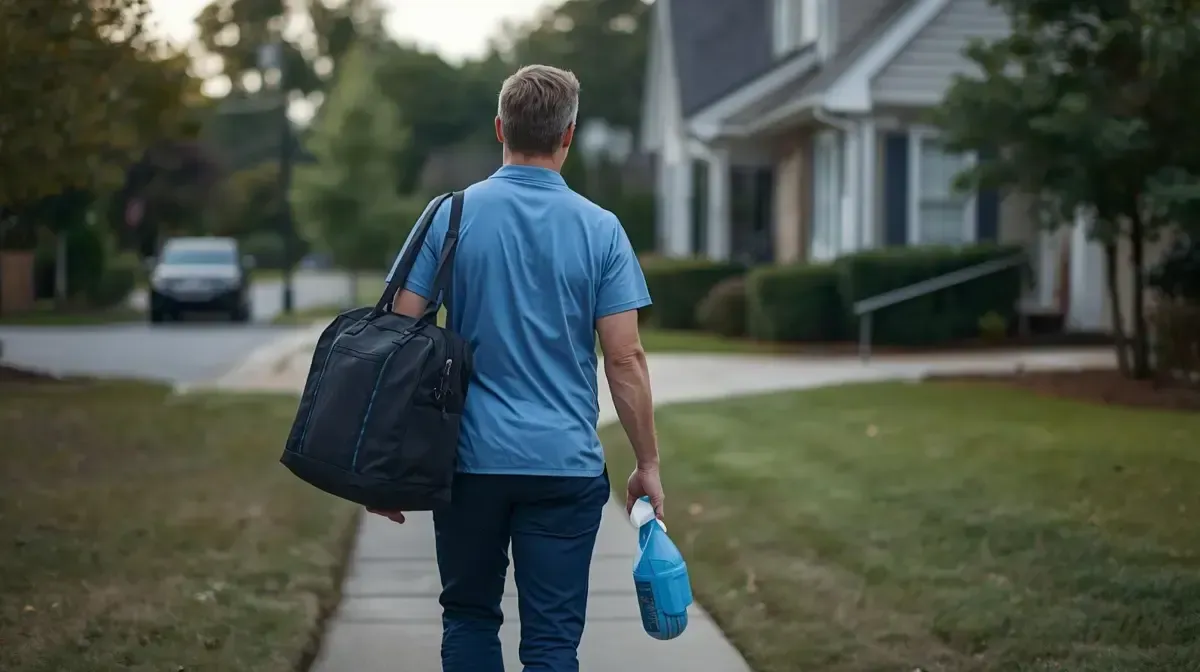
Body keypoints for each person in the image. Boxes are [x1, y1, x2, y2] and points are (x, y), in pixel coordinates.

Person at [373, 64, 665, 672]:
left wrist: (383, 467)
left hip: (468, 467)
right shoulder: (602, 229)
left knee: (470, 618)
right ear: (570, 135)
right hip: (564, 468)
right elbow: (624, 357)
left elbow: (396, 339)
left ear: (500, 126)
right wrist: (647, 464)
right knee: (553, 645)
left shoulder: (448, 216)